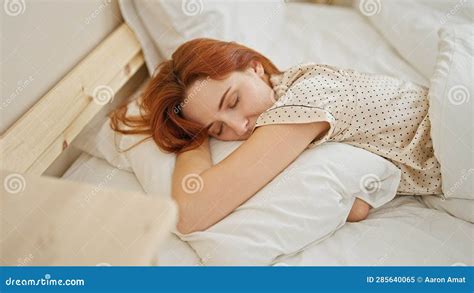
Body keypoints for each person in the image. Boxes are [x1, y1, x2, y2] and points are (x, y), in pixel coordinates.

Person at [110, 38, 441, 234]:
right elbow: (356, 206)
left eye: (233, 101)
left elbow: (189, 213)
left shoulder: (305, 98)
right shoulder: (292, 103)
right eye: (218, 129)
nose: (239, 127)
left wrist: (191, 142)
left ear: (254, 68)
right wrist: (195, 130)